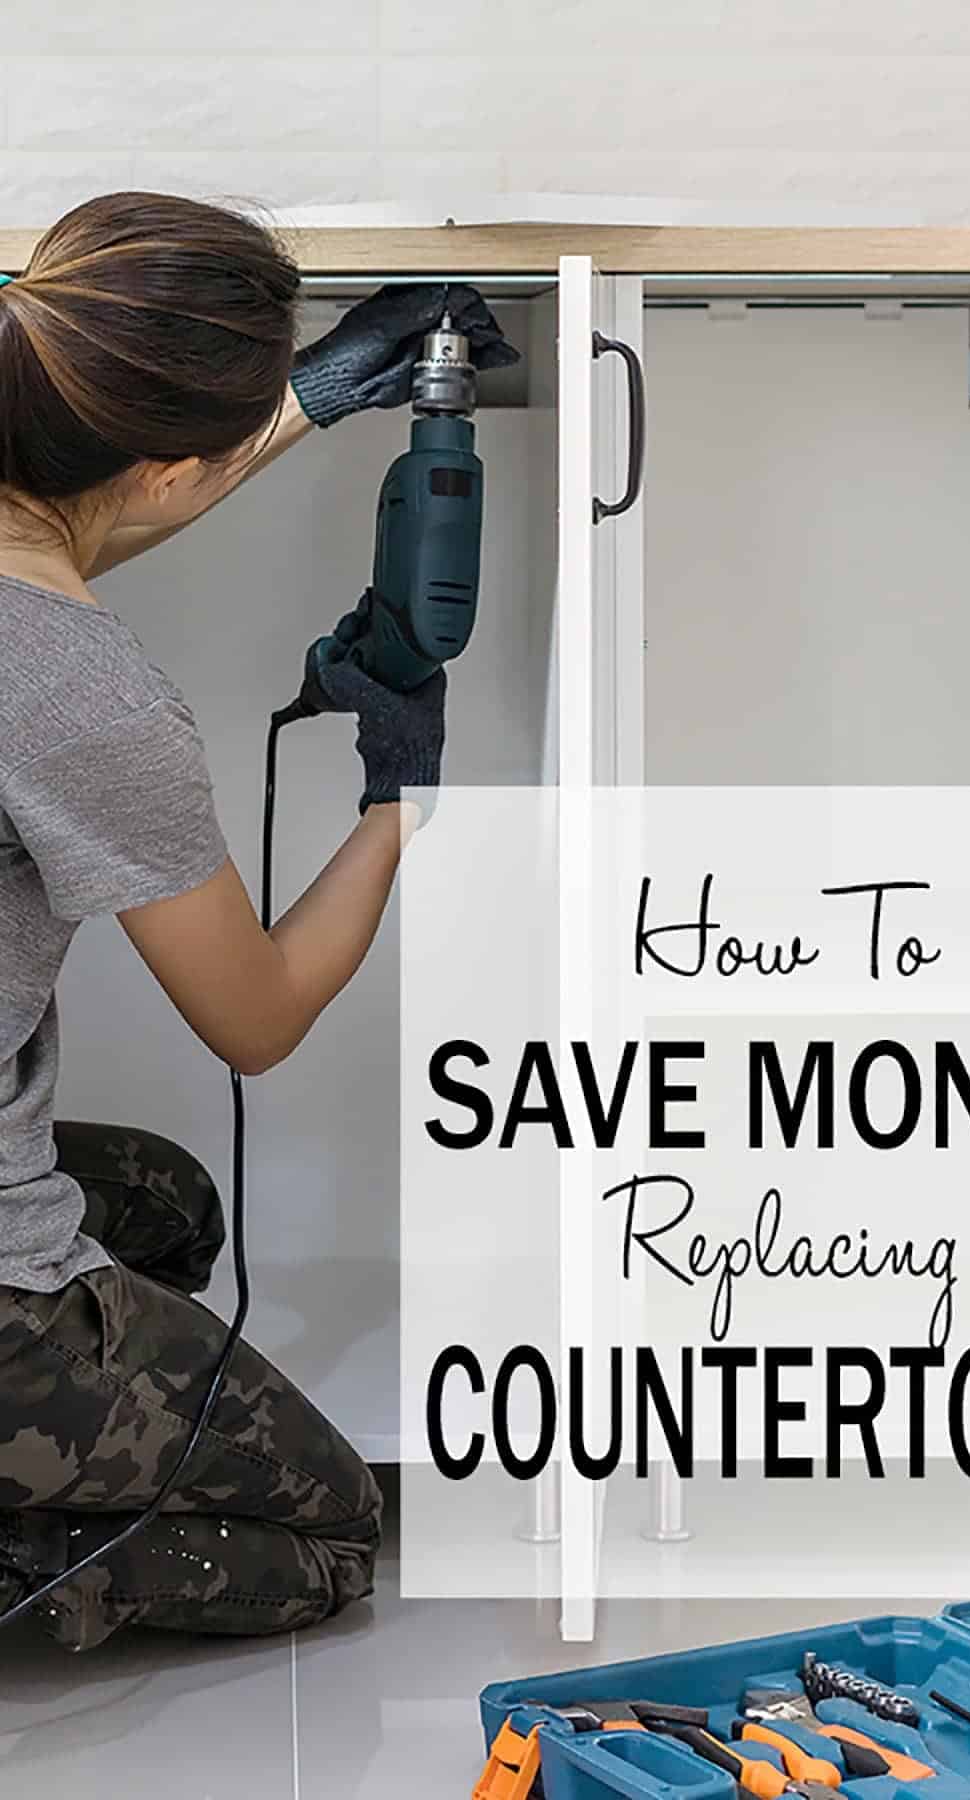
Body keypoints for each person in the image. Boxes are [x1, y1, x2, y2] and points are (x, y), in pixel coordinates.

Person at [0, 191, 513, 1652]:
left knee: (163, 1203)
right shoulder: (86, 698)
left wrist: (306, 398)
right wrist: (398, 796)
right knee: (325, 1529)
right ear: (163, 466)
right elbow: (261, 1017)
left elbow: (59, 545)